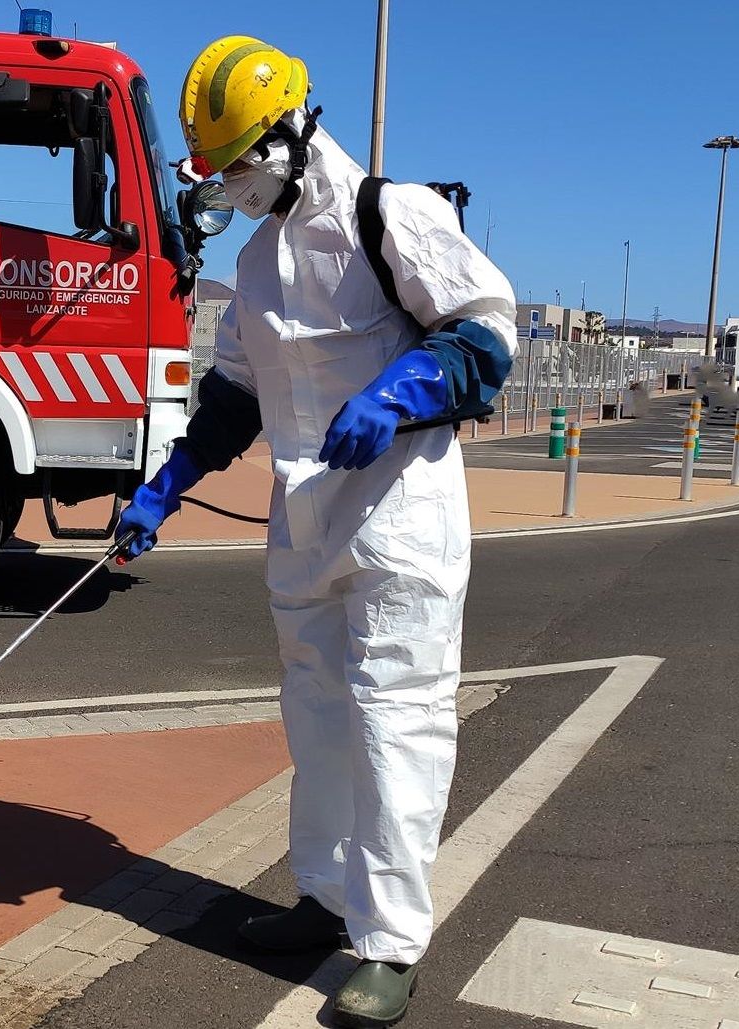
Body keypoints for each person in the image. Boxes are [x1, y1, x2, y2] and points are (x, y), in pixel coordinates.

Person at [113, 36, 516, 1028]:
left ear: (293, 134)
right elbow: (234, 394)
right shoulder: (255, 265)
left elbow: (486, 331)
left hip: (400, 526)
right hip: (304, 528)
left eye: (242, 165)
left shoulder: (393, 216)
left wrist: (405, 388)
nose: (232, 187)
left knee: (395, 726)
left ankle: (387, 944)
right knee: (319, 723)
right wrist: (164, 486)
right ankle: (324, 897)